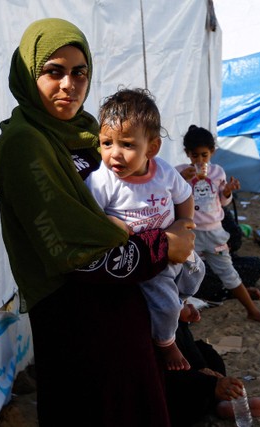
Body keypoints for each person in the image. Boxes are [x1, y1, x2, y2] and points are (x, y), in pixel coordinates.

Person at [0, 18, 194, 426]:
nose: (69, 84)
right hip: (77, 323)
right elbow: (74, 250)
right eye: (53, 71)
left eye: (79, 72)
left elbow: (143, 188)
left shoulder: (88, 132)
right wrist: (162, 243)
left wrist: (177, 226)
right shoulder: (25, 144)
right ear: (29, 74)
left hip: (125, 308)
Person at [85, 88, 205, 371]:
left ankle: (182, 304)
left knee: (198, 272)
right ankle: (167, 343)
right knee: (164, 305)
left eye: (126, 144)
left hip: (173, 246)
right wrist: (118, 227)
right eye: (106, 143)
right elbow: (90, 217)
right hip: (147, 261)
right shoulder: (102, 181)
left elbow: (185, 195)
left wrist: (184, 224)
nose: (114, 154)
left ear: (151, 148)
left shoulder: (162, 171)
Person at [176, 125, 260, 325]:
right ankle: (181, 313)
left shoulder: (217, 172)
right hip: (190, 234)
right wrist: (181, 179)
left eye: (204, 155)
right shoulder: (178, 173)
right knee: (182, 273)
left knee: (228, 271)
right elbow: (171, 197)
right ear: (187, 154)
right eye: (195, 156)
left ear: (212, 152)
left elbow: (220, 202)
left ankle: (252, 310)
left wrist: (227, 191)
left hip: (215, 234)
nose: (200, 161)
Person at [165, 303, 260, 426]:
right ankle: (216, 402)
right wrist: (210, 382)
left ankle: (219, 402)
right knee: (187, 376)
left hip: (185, 360)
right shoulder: (157, 318)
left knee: (206, 350)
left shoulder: (172, 305)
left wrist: (203, 368)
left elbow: (185, 338)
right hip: (175, 398)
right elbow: (170, 365)